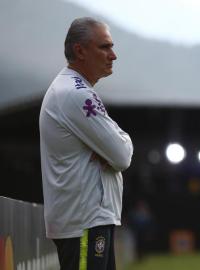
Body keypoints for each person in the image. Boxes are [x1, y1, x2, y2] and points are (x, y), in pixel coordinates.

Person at [39, 17, 133, 270]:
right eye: (104, 47)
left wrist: (118, 142)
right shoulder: (76, 94)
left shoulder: (75, 89)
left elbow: (119, 148)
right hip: (85, 223)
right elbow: (122, 156)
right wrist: (118, 145)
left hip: (89, 221)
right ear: (80, 50)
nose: (113, 55)